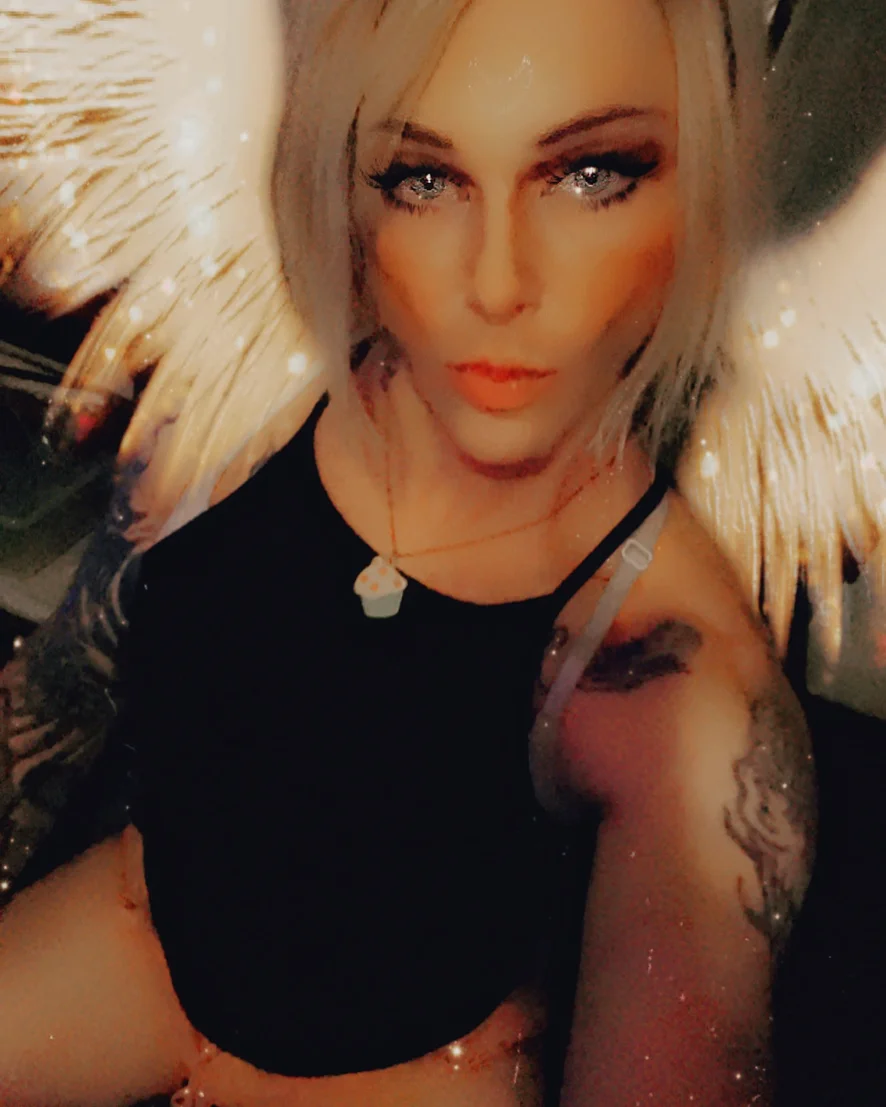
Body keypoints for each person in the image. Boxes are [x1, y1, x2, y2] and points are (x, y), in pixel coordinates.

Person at [0, 0, 816, 1105]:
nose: (496, 283)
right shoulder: (264, 393)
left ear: (700, 187)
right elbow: (68, 677)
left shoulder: (671, 685)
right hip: (134, 933)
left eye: (590, 174)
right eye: (424, 177)